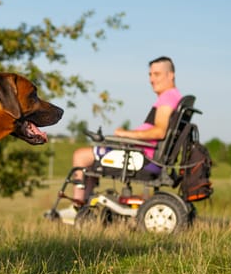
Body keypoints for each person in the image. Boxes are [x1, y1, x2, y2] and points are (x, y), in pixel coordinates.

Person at [69, 56, 182, 209]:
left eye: (157, 74)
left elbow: (159, 132)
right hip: (144, 155)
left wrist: (125, 134)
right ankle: (85, 204)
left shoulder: (167, 98)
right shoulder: (174, 97)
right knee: (90, 160)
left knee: (80, 156)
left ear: (170, 75)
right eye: (150, 74)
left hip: (143, 159)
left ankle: (77, 207)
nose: (151, 79)